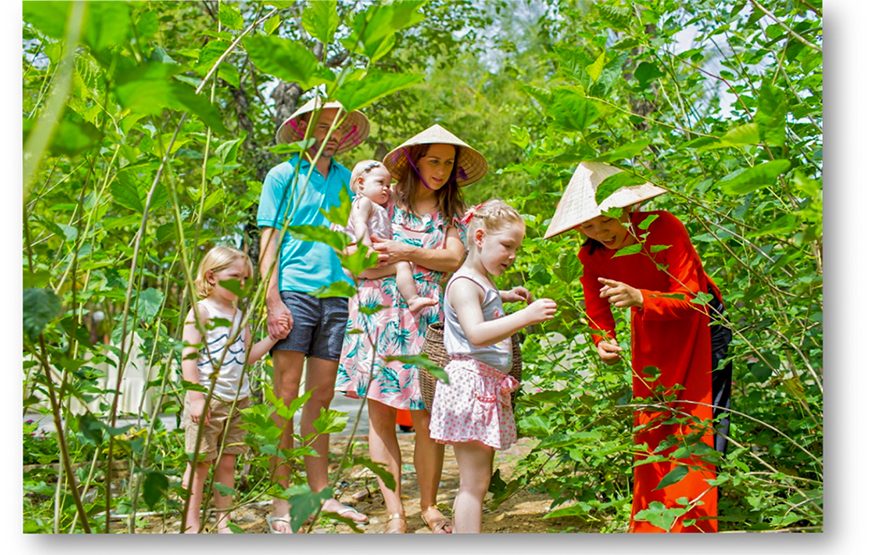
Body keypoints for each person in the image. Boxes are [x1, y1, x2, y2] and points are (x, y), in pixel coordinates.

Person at [546, 161, 732, 533]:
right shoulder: (592, 255)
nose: (600, 232)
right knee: (655, 421)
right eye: (588, 225)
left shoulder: (663, 226)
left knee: (699, 422)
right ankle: (655, 522)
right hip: (652, 333)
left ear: (627, 207)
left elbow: (692, 298)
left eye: (606, 219)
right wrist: (604, 339)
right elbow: (597, 304)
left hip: (703, 326)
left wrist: (641, 297)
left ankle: (694, 520)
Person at [335, 124, 487, 533]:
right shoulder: (383, 200)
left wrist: (405, 252)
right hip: (377, 313)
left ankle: (429, 505)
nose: (440, 169)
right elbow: (355, 261)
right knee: (381, 415)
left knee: (426, 415)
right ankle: (395, 513)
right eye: (433, 160)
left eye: (447, 162)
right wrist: (419, 259)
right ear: (414, 161)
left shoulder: (453, 213)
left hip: (427, 318)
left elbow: (455, 259)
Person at [257, 98, 371, 533]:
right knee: (284, 397)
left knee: (321, 398)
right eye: (325, 124)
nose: (335, 132)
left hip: (337, 297)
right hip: (294, 293)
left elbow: (356, 236)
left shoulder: (347, 181)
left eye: (340, 126)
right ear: (304, 127)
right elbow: (269, 240)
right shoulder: (281, 175)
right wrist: (272, 300)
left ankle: (320, 493)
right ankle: (281, 500)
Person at [428, 200, 557, 533]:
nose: (513, 255)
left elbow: (481, 300)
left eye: (517, 248)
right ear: (481, 237)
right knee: (473, 482)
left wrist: (505, 296)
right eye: (507, 246)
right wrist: (524, 316)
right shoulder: (465, 284)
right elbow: (476, 332)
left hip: (482, 386)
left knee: (478, 479)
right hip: (469, 388)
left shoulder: (478, 281)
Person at [180, 246, 290, 534]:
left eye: (246, 279)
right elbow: (188, 356)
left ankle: (222, 521)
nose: (242, 284)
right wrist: (195, 399)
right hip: (209, 400)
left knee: (227, 463)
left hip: (237, 400)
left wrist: (273, 338)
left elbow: (246, 358)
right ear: (212, 277)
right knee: (199, 465)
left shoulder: (239, 314)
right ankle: (190, 525)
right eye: (235, 277)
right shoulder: (200, 312)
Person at [344, 159, 437, 314]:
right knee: (402, 265)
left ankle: (411, 299)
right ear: (361, 184)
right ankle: (412, 299)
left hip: (363, 266)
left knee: (398, 266)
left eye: (388, 185)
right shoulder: (364, 202)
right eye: (380, 183)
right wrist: (366, 247)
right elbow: (360, 224)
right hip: (363, 257)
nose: (386, 189)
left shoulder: (379, 206)